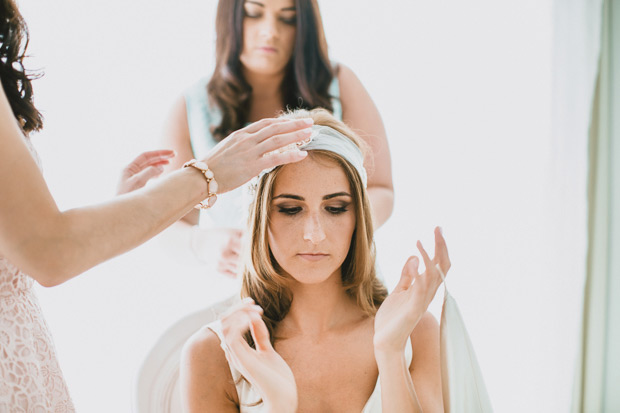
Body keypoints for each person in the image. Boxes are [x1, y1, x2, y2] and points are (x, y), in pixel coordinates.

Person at [0, 1, 315, 409]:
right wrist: (208, 177)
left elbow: (35, 247)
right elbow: (48, 251)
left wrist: (117, 212)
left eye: (337, 207)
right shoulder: (192, 103)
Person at [181, 109, 449, 412]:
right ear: (260, 220)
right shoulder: (213, 354)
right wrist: (279, 404)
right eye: (291, 210)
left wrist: (390, 354)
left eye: (335, 208)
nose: (314, 234)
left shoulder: (414, 331)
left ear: (358, 218)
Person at [163, 0, 394, 277]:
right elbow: (163, 221)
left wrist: (340, 233)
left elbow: (381, 188)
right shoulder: (191, 108)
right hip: (248, 288)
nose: (270, 31)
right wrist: (205, 244)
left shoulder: (339, 84)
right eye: (254, 14)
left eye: (287, 18)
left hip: (337, 282)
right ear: (229, 17)